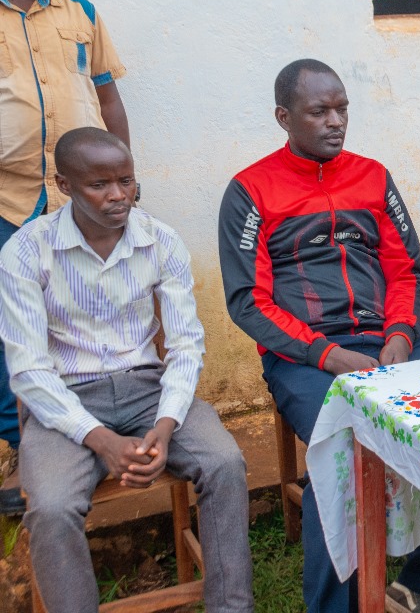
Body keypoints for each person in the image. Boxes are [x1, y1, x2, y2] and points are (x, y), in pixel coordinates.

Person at [218, 59, 420, 613]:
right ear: (284, 117)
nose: (336, 121)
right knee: (344, 451)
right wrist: (329, 356)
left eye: (343, 108)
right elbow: (247, 302)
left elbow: (407, 270)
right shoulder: (250, 190)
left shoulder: (372, 175)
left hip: (389, 340)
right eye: (319, 111)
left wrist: (399, 336)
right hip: (303, 357)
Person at [0, 128, 252, 612]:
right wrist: (101, 440)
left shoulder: (160, 239)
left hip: (147, 391)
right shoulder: (27, 250)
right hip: (64, 401)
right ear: (64, 184)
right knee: (51, 507)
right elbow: (29, 370)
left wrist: (166, 423)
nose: (118, 196)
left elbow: (184, 344)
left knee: (224, 462)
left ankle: (232, 607)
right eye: (99, 184)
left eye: (127, 181)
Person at [0, 0, 130, 516]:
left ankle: (90, 430)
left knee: (86, 311)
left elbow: (107, 99)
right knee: (11, 332)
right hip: (7, 198)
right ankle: (15, 446)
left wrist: (124, 182)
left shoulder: (77, 12)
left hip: (73, 195)